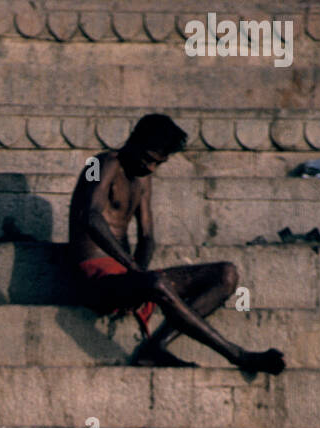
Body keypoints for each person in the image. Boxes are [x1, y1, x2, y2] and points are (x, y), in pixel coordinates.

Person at [69, 112, 285, 376]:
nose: (150, 168)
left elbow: (147, 236)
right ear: (134, 141)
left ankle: (155, 347)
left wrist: (139, 274)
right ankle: (236, 354)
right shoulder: (102, 163)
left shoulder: (143, 179)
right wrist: (135, 270)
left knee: (225, 275)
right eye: (148, 159)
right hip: (94, 279)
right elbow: (90, 217)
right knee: (156, 283)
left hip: (127, 278)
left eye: (158, 163)